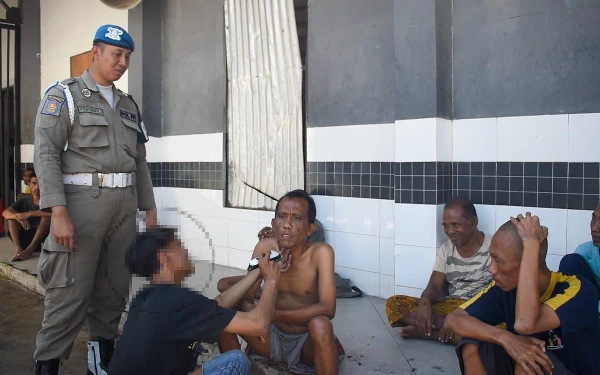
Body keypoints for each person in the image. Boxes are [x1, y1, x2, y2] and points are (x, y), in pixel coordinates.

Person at [33, 24, 157, 375]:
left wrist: (149, 210)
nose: (122, 62)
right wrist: (58, 211)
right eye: (116, 54)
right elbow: (46, 154)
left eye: (128, 57)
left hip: (123, 208)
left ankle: (98, 366)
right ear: (96, 53)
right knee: (68, 294)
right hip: (81, 206)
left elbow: (140, 162)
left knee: (113, 292)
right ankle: (48, 367)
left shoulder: (128, 106)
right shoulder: (66, 95)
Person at [108, 226, 282, 375]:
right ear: (165, 258)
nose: (186, 251)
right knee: (236, 362)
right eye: (179, 246)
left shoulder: (147, 297)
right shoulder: (178, 302)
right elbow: (258, 324)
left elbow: (218, 303)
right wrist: (272, 280)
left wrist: (258, 271)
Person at [445, 213, 600, 375]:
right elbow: (454, 319)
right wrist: (505, 338)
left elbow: (525, 324)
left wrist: (531, 244)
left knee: (531, 361)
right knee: (472, 343)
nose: (491, 268)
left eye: (498, 260)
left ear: (529, 262)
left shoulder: (578, 290)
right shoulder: (504, 289)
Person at [219, 190, 339, 374]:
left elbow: (328, 308)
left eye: (297, 218)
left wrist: (275, 314)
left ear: (310, 229)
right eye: (282, 216)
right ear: (273, 223)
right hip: (268, 337)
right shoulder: (264, 247)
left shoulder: (321, 253)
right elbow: (246, 297)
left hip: (305, 342)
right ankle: (236, 369)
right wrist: (255, 312)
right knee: (221, 315)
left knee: (321, 324)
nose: (287, 225)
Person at [385, 197, 492, 344]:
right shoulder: (446, 249)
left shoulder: (493, 247)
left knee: (502, 325)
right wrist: (425, 301)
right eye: (446, 226)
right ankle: (456, 330)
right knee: (394, 303)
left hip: (480, 308)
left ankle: (429, 333)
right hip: (451, 307)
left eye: (456, 225)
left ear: (473, 222)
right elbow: (435, 286)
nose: (450, 231)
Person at [216, 218, 326, 295]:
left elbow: (297, 258)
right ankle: (264, 295)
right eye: (283, 215)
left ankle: (267, 296)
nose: (287, 224)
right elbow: (255, 266)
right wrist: (267, 241)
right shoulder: (272, 238)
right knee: (223, 284)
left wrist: (277, 244)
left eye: (296, 216)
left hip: (290, 276)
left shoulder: (314, 229)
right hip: (270, 272)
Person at [558, 203, 600, 314]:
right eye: (594, 218)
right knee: (570, 262)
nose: (595, 227)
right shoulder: (585, 253)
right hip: (591, 308)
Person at [1, 172, 51, 261]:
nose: (37, 187)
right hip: (27, 236)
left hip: (44, 238)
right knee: (11, 219)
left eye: (40, 184)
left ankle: (30, 250)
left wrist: (31, 213)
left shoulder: (50, 200)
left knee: (46, 217)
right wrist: (17, 216)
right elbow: (5, 213)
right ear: (29, 184)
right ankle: (18, 249)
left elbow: (55, 214)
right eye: (34, 183)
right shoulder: (25, 200)